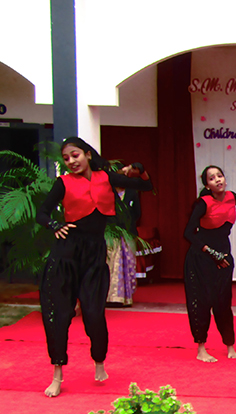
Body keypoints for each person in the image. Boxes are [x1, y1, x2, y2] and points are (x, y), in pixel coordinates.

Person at [36, 137, 152, 397]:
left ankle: (99, 360)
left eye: (75, 155)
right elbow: (41, 213)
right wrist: (55, 225)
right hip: (66, 254)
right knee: (61, 314)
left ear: (88, 154)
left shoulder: (107, 178)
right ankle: (57, 374)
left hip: (94, 254)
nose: (71, 161)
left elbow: (146, 185)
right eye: (66, 158)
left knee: (93, 312)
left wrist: (139, 168)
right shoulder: (63, 183)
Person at [183, 165, 236, 363]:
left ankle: (229, 343)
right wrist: (211, 253)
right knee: (202, 302)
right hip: (201, 258)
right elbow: (188, 233)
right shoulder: (203, 203)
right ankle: (201, 348)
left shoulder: (231, 196)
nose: (218, 180)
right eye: (212, 178)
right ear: (207, 185)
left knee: (223, 301)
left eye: (219, 176)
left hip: (224, 256)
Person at [106, 165, 145, 307]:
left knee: (128, 264)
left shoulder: (132, 192)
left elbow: (137, 213)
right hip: (111, 233)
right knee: (110, 264)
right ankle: (109, 297)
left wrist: (127, 223)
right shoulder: (108, 192)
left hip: (127, 233)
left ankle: (126, 297)